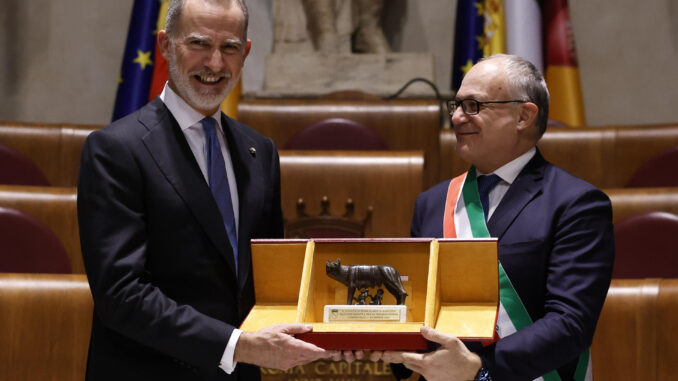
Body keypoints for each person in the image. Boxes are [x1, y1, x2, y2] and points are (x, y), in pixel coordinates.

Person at [77, 1, 339, 380]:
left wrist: (345, 331)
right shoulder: (116, 150)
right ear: (165, 46)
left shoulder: (258, 151)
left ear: (246, 52)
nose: (215, 63)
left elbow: (268, 279)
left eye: (230, 47)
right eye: (199, 43)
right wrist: (238, 345)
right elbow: (121, 295)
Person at [373, 54, 615, 380]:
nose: (457, 117)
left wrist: (481, 368)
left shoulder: (577, 204)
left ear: (523, 116)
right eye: (455, 105)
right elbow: (419, 306)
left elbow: (570, 322)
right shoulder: (432, 202)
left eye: (473, 105)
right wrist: (377, 340)